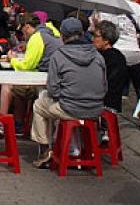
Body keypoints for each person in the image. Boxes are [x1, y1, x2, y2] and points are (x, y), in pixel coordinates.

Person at [30, 17, 106, 169]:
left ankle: (45, 148)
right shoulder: (98, 56)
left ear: (62, 37)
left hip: (70, 108)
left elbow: (52, 89)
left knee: (39, 104)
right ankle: (72, 147)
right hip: (95, 109)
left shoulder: (58, 56)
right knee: (49, 101)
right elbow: (104, 87)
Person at [0, 13, 61, 131]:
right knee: (19, 89)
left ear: (27, 26)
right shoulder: (54, 32)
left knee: (7, 86)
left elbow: (27, 65)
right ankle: (18, 123)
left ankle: (1, 123)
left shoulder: (37, 37)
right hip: (52, 78)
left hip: (43, 82)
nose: (23, 34)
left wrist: (13, 60)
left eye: (22, 31)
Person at [92, 19, 128, 113]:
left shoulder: (102, 57)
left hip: (101, 104)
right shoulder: (119, 56)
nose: (93, 39)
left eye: (96, 36)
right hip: (113, 104)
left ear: (106, 40)